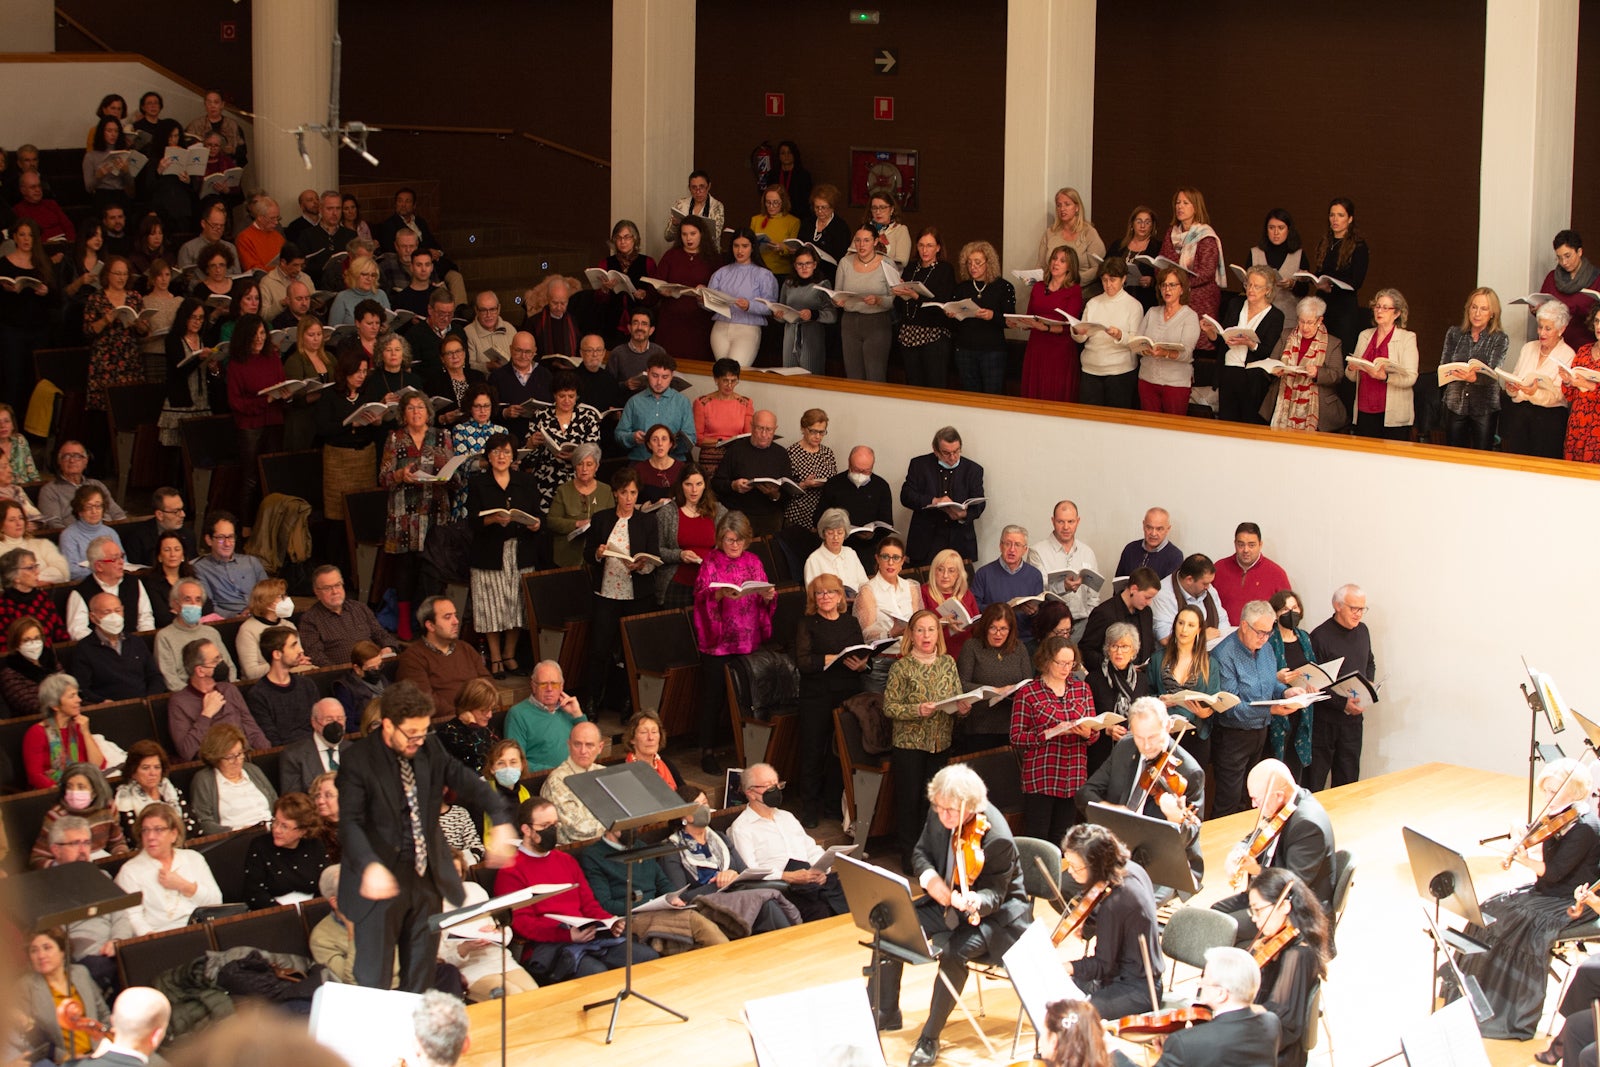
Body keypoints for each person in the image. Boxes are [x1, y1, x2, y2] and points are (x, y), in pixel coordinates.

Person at [338, 680, 517, 991]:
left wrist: (500, 820)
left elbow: (468, 782)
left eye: (423, 734)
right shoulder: (357, 760)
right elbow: (350, 824)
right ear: (388, 725)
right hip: (379, 883)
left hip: (424, 881)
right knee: (377, 980)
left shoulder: (428, 745)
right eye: (411, 734)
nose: (418, 741)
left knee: (420, 976)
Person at [870, 764, 1030, 1066]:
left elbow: (996, 896)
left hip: (997, 916)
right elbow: (920, 853)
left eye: (951, 812)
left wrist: (973, 900)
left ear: (971, 805)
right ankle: (884, 1011)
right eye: (939, 809)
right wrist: (932, 881)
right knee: (891, 926)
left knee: (954, 953)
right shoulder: (941, 809)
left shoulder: (998, 838)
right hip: (948, 899)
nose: (943, 817)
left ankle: (929, 1038)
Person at [1453, 757, 1598, 1039]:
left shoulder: (1583, 827)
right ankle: (1469, 990)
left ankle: (1505, 1008)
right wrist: (1518, 827)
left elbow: (1553, 874)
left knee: (1516, 924)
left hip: (1571, 899)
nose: (1548, 797)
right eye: (1546, 790)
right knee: (1491, 908)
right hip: (1549, 891)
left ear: (1575, 792)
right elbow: (1529, 828)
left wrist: (1524, 860)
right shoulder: (1560, 814)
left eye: (1555, 791)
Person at [495, 797, 658, 983]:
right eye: (545, 825)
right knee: (596, 972)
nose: (552, 830)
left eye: (555, 824)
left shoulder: (566, 861)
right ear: (526, 829)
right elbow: (522, 923)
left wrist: (608, 921)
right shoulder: (510, 870)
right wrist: (566, 935)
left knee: (646, 957)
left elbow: (588, 904)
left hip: (587, 935)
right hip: (548, 945)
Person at [1080, 697, 1206, 888]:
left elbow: (1190, 836)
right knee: (1066, 886)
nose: (1146, 746)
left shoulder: (1189, 772)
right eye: (1139, 737)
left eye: (1153, 737)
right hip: (1118, 852)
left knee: (1125, 902)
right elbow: (1085, 794)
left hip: (1162, 865)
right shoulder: (1125, 747)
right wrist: (1111, 810)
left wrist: (1176, 819)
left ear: (1168, 726)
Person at [1210, 759, 1336, 941]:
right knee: (1213, 916)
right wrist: (1237, 852)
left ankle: (1242, 968)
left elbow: (1293, 885)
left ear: (1277, 795)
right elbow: (1254, 836)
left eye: (1256, 799)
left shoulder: (1308, 825)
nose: (1253, 805)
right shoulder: (1284, 805)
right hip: (1267, 896)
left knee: (1221, 928)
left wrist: (1258, 871)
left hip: (1295, 911)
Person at [883, 608, 968, 867]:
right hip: (910, 744)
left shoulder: (947, 663)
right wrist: (916, 710)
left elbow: (955, 698)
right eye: (920, 630)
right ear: (911, 634)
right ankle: (910, 857)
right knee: (909, 802)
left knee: (934, 803)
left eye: (931, 629)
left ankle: (932, 855)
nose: (926, 635)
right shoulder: (902, 666)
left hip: (940, 741)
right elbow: (889, 707)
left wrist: (963, 708)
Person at [690, 510, 773, 771]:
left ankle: (745, 749)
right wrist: (718, 596)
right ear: (720, 539)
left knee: (746, 697)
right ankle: (707, 750)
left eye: (738, 539)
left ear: (747, 540)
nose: (734, 544)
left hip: (747, 640)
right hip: (718, 643)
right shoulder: (711, 562)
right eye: (728, 539)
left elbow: (762, 595)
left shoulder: (754, 561)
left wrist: (769, 596)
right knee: (713, 697)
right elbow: (701, 598)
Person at [1059, 822, 1164, 1019]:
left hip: (1137, 989)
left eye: (1074, 867)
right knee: (1057, 991)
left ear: (1096, 864)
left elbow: (1103, 965)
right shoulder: (1131, 869)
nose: (1070, 873)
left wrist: (1066, 967)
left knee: (1070, 1017)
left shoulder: (1117, 902)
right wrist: (1090, 919)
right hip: (1132, 975)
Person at [579, 467, 659, 714]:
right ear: (615, 494)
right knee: (599, 649)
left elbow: (653, 557)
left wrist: (640, 565)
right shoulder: (602, 519)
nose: (629, 498)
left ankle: (629, 702)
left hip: (636, 594)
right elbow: (587, 554)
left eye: (633, 493)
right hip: (607, 593)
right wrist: (598, 553)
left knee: (631, 651)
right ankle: (591, 700)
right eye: (624, 493)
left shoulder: (646, 521)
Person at [727, 762, 848, 922]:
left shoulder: (787, 817)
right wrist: (788, 876)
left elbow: (811, 849)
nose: (774, 790)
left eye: (776, 784)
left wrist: (820, 870)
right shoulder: (741, 828)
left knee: (850, 893)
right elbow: (750, 871)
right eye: (767, 786)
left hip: (809, 879)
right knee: (821, 909)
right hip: (781, 886)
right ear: (751, 793)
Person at [793, 573, 868, 826]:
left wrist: (861, 666)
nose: (825, 597)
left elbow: (861, 656)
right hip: (816, 695)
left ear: (840, 597)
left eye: (831, 592)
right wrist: (832, 657)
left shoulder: (850, 623)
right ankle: (809, 808)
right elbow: (803, 662)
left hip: (847, 693)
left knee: (840, 751)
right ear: (814, 598)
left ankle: (833, 804)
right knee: (813, 750)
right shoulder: (807, 623)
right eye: (820, 593)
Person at [465, 433, 542, 676]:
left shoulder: (525, 482)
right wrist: (492, 519)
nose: (501, 456)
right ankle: (495, 657)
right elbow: (471, 521)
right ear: (488, 456)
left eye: (507, 452)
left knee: (516, 605)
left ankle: (510, 654)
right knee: (491, 607)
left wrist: (536, 524)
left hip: (519, 551)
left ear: (514, 456)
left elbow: (538, 514)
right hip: (490, 552)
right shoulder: (479, 483)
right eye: (496, 452)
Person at [1010, 635, 1098, 842]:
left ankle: (1058, 875)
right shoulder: (1028, 692)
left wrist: (1087, 734)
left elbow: (1094, 733)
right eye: (1061, 663)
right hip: (1042, 775)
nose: (1067, 668)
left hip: (1073, 775)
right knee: (1037, 837)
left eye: (1071, 663)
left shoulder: (1082, 689)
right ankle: (1036, 875)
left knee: (1064, 837)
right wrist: (1049, 732)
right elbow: (1016, 737)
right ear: (1047, 660)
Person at [1246, 868, 1330, 1067]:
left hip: (1279, 1055)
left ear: (1284, 906)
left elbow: (1280, 1021)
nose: (1253, 917)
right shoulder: (1279, 944)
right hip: (1265, 1039)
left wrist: (1235, 1008)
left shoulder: (1298, 955)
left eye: (1257, 909)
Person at [1140, 948, 1280, 1067]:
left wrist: (1118, 1056)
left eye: (1205, 977)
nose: (1200, 983)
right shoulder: (1272, 1023)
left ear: (1221, 994)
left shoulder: (1185, 1043)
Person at [113, 802, 223, 935]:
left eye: (158, 829)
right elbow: (131, 917)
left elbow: (216, 901)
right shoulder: (130, 871)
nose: (150, 837)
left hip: (202, 930)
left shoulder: (193, 858)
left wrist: (185, 886)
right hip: (160, 938)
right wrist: (151, 938)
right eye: (145, 830)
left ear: (173, 834)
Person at [1307, 583, 1375, 790]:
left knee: (1348, 782)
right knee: (1315, 781)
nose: (1358, 614)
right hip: (1325, 721)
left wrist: (1369, 684)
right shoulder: (1319, 636)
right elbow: (1314, 682)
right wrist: (1341, 704)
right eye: (1354, 608)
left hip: (1353, 721)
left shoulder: (1363, 631)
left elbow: (1369, 661)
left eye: (1362, 609)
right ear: (1337, 605)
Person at [1204, 265, 1286, 424]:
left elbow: (1268, 351)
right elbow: (1223, 339)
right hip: (1228, 370)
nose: (1251, 289)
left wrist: (1250, 343)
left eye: (1257, 286)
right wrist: (1211, 332)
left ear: (1268, 290)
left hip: (1252, 377)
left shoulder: (1275, 316)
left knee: (1249, 424)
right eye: (1248, 284)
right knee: (1226, 424)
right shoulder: (1235, 304)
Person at [1147, 602, 1220, 772]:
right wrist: (1159, 701)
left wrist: (1206, 712)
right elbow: (1146, 694)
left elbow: (1214, 701)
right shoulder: (1158, 659)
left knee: (1191, 791)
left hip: (1195, 734)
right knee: (1161, 790)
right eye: (1181, 623)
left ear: (1199, 630)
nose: (1184, 629)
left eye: (1190, 625)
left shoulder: (1209, 664)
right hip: (1164, 734)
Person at [20, 927, 110, 1064]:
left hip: (100, 1052)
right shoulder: (26, 987)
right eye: (34, 950)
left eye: (47, 948)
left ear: (62, 951)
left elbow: (103, 1014)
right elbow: (32, 1038)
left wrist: (106, 1045)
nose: (41, 955)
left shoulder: (80, 973)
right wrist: (63, 1057)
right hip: (63, 1061)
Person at [1501, 300, 1576, 458]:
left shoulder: (1568, 354)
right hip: (1520, 416)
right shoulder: (1529, 347)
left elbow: (1560, 395)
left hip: (1549, 420)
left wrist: (1534, 393)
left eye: (1548, 328)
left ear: (1561, 329)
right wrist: (1512, 388)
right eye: (1540, 327)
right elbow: (1516, 378)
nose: (1542, 333)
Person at [901, 426, 985, 566]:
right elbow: (906, 496)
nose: (952, 457)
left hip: (960, 541)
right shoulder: (919, 465)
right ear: (935, 450)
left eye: (956, 451)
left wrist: (963, 514)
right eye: (946, 453)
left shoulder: (973, 470)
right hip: (925, 542)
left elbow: (979, 504)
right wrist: (933, 501)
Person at [1261, 295, 1344, 432]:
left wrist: (1318, 373)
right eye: (1301, 321)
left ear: (1320, 320)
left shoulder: (1333, 343)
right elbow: (1272, 361)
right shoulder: (1286, 335)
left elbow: (1337, 374)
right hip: (1282, 401)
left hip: (1316, 407)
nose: (1305, 327)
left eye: (1310, 322)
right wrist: (1274, 370)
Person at [394, 596, 491, 714]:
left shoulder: (465, 648)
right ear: (430, 626)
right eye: (447, 617)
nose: (456, 621)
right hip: (442, 725)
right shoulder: (413, 657)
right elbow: (424, 701)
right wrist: (462, 716)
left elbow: (487, 682)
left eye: (455, 615)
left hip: (477, 717)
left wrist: (480, 708)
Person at [1344, 287, 1419, 439]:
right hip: (1365, 408)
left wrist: (1385, 377)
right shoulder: (1364, 335)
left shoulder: (1407, 338)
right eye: (1377, 306)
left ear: (1397, 313)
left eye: (1385, 308)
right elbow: (1351, 377)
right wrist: (1352, 368)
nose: (1379, 311)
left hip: (1392, 414)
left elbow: (1411, 377)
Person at [953, 603, 1028, 754]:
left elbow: (1028, 684)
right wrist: (994, 690)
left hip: (1012, 724)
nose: (998, 634)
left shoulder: (1019, 648)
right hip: (980, 725)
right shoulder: (972, 646)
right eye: (993, 628)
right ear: (985, 626)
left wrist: (1012, 690)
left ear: (1011, 630)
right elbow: (961, 684)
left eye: (1003, 629)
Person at [525, 370, 601, 513]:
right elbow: (528, 457)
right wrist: (531, 444)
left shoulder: (588, 417)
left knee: (578, 520)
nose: (567, 400)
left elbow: (594, 451)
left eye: (571, 396)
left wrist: (576, 457)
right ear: (554, 395)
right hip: (546, 478)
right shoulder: (541, 416)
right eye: (562, 396)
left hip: (578, 477)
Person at [891, 226, 958, 388]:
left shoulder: (944, 269)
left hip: (933, 333)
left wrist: (917, 297)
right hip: (909, 332)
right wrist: (900, 294)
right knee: (913, 383)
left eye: (929, 246)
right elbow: (900, 306)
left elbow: (943, 303)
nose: (924, 250)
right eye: (921, 245)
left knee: (935, 383)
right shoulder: (911, 268)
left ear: (938, 248)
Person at [72, 591, 165, 703]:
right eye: (107, 612)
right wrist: (101, 701)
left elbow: (154, 676)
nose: (114, 616)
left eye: (117, 611)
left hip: (144, 703)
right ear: (93, 617)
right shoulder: (84, 649)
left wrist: (150, 698)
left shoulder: (136, 642)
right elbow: (82, 689)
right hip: (110, 711)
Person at [711, 409, 791, 538]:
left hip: (770, 517)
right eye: (760, 428)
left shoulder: (781, 454)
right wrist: (733, 485)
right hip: (739, 515)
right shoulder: (735, 450)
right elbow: (716, 483)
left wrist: (775, 494)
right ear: (751, 426)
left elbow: (788, 493)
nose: (764, 434)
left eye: (769, 430)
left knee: (769, 555)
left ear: (775, 429)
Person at [949, 240, 1015, 395]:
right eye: (969, 263)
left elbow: (1010, 320)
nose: (973, 267)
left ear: (989, 263)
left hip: (992, 350)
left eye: (978, 263)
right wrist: (952, 314)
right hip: (965, 349)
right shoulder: (961, 288)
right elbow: (953, 324)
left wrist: (992, 315)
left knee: (992, 396)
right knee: (970, 396)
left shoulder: (1003, 287)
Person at [1021, 244, 1087, 402]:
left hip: (1059, 350)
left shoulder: (1074, 290)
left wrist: (1047, 327)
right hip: (1037, 346)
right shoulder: (1037, 287)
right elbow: (1030, 315)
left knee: (1054, 394)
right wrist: (1020, 323)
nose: (1056, 263)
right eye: (1054, 258)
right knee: (1035, 394)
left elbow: (1071, 325)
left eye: (1062, 261)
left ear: (1070, 267)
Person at [299, 565, 399, 668]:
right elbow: (315, 656)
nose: (335, 592)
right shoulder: (310, 620)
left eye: (338, 585)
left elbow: (380, 634)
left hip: (375, 668)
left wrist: (388, 648)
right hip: (343, 676)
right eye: (327, 588)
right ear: (316, 592)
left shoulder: (359, 608)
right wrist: (343, 672)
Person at [654, 462, 723, 609]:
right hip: (677, 584)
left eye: (699, 484)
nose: (694, 490)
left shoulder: (718, 511)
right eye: (688, 484)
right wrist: (679, 555)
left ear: (705, 485)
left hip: (711, 584)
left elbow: (730, 545)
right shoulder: (667, 513)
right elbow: (656, 551)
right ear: (681, 485)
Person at [188, 721, 278, 835]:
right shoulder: (204, 780)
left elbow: (276, 802)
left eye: (240, 754)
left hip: (272, 833)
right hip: (236, 839)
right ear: (215, 757)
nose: (237, 761)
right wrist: (236, 833)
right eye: (230, 757)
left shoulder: (252, 770)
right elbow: (204, 822)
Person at [649, 215, 719, 361]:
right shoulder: (671, 255)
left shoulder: (713, 259)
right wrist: (662, 290)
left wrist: (706, 291)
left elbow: (720, 291)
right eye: (684, 234)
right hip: (671, 320)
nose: (689, 238)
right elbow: (657, 283)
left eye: (693, 234)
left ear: (702, 234)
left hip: (699, 321)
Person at [854, 535, 918, 693]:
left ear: (902, 561)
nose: (890, 562)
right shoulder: (868, 590)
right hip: (881, 663)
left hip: (909, 659)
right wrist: (890, 633)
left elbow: (918, 622)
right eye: (885, 557)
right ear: (877, 558)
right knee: (879, 714)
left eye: (895, 557)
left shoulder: (911, 587)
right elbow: (865, 634)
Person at [833, 226, 896, 381]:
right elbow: (836, 295)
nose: (861, 245)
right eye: (858, 240)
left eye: (866, 240)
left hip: (877, 322)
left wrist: (878, 300)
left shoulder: (887, 263)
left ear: (875, 241)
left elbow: (893, 301)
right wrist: (838, 301)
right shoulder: (845, 262)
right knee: (853, 376)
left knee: (876, 375)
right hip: (849, 323)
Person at [706, 229, 776, 368]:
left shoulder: (764, 275)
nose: (739, 250)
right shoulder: (721, 272)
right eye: (736, 245)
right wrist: (702, 299)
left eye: (745, 246)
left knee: (737, 371)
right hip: (720, 327)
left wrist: (749, 305)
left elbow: (771, 306)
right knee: (721, 371)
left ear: (753, 248)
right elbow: (710, 302)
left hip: (747, 329)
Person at [67, 534, 156, 643]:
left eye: (121, 556)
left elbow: (145, 619)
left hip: (133, 646)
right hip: (99, 652)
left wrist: (142, 642)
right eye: (115, 559)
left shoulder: (133, 583)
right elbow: (78, 631)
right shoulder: (81, 592)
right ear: (99, 566)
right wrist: (104, 645)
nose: (121, 562)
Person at [1136, 266, 1200, 415]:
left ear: (1182, 289)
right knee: (1148, 428)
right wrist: (1143, 349)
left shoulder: (1190, 316)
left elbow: (1187, 354)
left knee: (1172, 430)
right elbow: (1139, 341)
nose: (1167, 289)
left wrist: (1165, 353)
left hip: (1176, 383)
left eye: (1172, 285)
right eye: (1163, 285)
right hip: (1147, 379)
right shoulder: (1152, 312)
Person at [23, 675, 107, 789]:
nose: (79, 700)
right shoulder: (36, 733)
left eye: (77, 694)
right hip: (54, 791)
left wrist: (86, 732)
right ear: (55, 705)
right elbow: (35, 776)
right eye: (72, 696)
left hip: (85, 787)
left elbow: (98, 765)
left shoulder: (78, 726)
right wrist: (64, 792)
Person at [504, 661, 586, 772]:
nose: (549, 689)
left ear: (561, 686)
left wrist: (578, 715)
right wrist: (556, 771)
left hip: (578, 774)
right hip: (544, 780)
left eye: (554, 684)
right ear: (533, 686)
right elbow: (515, 762)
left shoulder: (570, 709)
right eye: (543, 684)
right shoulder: (517, 714)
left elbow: (592, 748)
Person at [155, 577, 235, 689]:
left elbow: (230, 667)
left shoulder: (212, 633)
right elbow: (170, 680)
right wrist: (197, 695)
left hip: (221, 691)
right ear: (176, 604)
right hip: (188, 697)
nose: (193, 604)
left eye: (198, 600)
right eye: (187, 599)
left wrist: (223, 690)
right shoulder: (164, 636)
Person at [246, 626, 319, 746]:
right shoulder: (258, 695)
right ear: (277, 654)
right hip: (287, 755)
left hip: (315, 748)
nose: (300, 650)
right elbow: (271, 737)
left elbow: (318, 722)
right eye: (293, 646)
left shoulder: (307, 685)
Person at [113, 739, 197, 841]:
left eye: (157, 767)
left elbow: (194, 827)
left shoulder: (172, 792)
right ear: (133, 772)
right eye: (145, 768)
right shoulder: (125, 799)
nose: (153, 773)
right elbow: (135, 837)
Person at [615, 353, 694, 461]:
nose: (659, 382)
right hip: (641, 461)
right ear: (647, 373)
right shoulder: (634, 401)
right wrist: (633, 437)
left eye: (665, 377)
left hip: (673, 463)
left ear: (672, 376)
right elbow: (619, 435)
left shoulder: (682, 402)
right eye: (655, 376)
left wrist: (672, 443)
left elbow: (691, 438)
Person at [1079, 567, 1159, 673]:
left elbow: (1150, 647)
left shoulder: (1146, 612)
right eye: (1147, 597)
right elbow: (1086, 651)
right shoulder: (1104, 613)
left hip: (1141, 678)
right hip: (1109, 679)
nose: (1149, 602)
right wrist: (1115, 665)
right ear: (1134, 589)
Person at [541, 722, 608, 845]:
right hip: (576, 850)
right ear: (569, 745)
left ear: (600, 747)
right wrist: (615, 827)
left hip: (608, 843)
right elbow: (578, 830)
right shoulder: (557, 781)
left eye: (589, 745)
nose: (583, 751)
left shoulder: (604, 773)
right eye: (577, 744)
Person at [546, 443, 612, 568]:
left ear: (596, 467)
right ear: (575, 466)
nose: (584, 469)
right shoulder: (563, 490)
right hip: (567, 557)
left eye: (589, 464)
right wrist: (576, 524)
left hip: (597, 558)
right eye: (580, 464)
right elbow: (551, 522)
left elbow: (612, 522)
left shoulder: (606, 490)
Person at [191, 512, 267, 618]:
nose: (227, 544)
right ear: (209, 540)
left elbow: (269, 594)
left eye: (231, 537)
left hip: (260, 617)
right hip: (228, 622)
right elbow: (208, 606)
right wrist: (236, 616)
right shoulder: (199, 568)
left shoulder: (251, 562)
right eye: (221, 538)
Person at [1213, 523, 1291, 624]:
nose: (1246, 550)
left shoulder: (1277, 574)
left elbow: (1286, 612)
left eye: (1251, 545)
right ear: (1235, 544)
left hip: (1262, 637)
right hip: (1223, 635)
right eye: (1241, 545)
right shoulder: (1219, 568)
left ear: (1260, 544)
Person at [774, 246, 837, 374]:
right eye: (800, 264)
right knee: (789, 376)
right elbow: (781, 308)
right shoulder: (788, 284)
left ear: (814, 264)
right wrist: (778, 315)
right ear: (795, 266)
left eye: (808, 263)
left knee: (811, 376)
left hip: (812, 336)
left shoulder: (822, 284)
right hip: (790, 336)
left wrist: (813, 314)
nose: (804, 267)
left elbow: (832, 315)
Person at [1540, 229, 1600, 352]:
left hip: (1583, 344)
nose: (1564, 262)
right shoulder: (1552, 277)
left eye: (1567, 256)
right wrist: (1538, 309)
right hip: (1554, 344)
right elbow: (1543, 308)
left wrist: (1571, 309)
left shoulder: (1597, 279)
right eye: (1559, 258)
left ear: (1579, 252)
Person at [279, 698, 352, 795]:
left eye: (340, 719)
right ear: (314, 722)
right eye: (329, 719)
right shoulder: (294, 756)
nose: (335, 725)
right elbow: (294, 802)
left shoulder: (354, 750)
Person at [1151, 553, 1230, 641]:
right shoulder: (1163, 595)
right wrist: (1200, 638)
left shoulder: (1209, 589)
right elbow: (1165, 638)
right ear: (1189, 580)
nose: (1208, 587)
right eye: (1205, 583)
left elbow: (1222, 620)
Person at [235, 578, 300, 680]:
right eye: (281, 597)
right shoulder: (247, 630)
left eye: (285, 595)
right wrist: (285, 662)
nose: (287, 599)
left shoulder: (289, 625)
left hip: (291, 679)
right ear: (266, 601)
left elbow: (299, 657)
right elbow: (251, 673)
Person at [1038, 187, 1105, 284]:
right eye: (1059, 205)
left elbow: (1097, 268)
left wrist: (1070, 281)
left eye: (1067, 204)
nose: (1062, 209)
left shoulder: (1089, 233)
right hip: (1052, 287)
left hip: (1081, 288)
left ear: (1077, 207)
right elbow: (1041, 265)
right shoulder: (1050, 233)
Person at [0, 548, 68, 645]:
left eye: (36, 566)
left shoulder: (42, 597)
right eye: (30, 568)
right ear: (15, 577)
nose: (37, 572)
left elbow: (60, 632)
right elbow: (5, 647)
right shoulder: (4, 607)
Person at [0, 613, 64, 716]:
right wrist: (64, 704)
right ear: (16, 644)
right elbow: (29, 704)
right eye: (26, 640)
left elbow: (67, 687)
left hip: (62, 713)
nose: (33, 644)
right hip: (35, 721)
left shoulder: (51, 660)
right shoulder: (10, 673)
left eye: (36, 638)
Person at [1251, 208, 1306, 320]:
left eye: (1281, 228)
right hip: (1258, 318)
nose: (1276, 233)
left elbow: (1304, 290)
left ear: (1288, 230)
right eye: (1271, 228)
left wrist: (1292, 284)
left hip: (1288, 318)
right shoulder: (1255, 253)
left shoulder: (1299, 255)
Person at [1564, 304, 1600, 463]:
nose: (1599, 326)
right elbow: (1570, 394)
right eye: (1598, 321)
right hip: (1578, 423)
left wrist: (1590, 385)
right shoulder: (1584, 350)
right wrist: (1567, 380)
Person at [0, 500, 68, 585]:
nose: (18, 523)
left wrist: (33, 580)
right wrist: (32, 581)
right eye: (12, 520)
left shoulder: (42, 544)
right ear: (1, 525)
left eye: (21, 518)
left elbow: (62, 572)